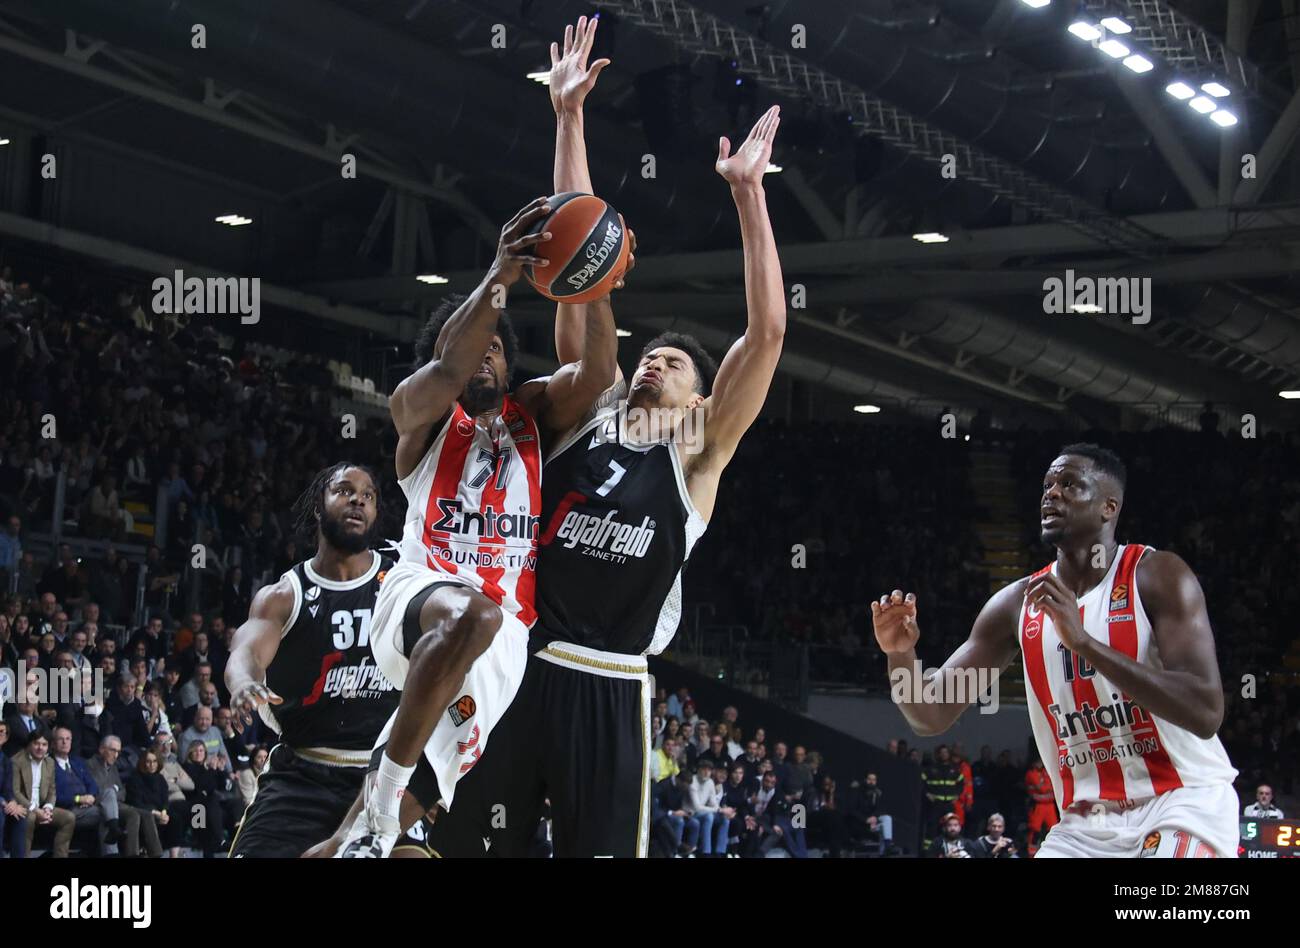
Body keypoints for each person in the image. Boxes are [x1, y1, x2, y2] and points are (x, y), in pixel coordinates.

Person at [420, 15, 786, 859]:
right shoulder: (586, 408)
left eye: (674, 364)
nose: (655, 363)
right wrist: (569, 116)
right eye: (648, 354)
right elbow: (575, 260)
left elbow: (764, 336)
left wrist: (748, 195)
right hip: (520, 661)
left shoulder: (696, 454)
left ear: (699, 400)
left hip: (612, 685)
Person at [331, 189, 618, 859]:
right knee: (475, 616)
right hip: (417, 600)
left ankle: (367, 826)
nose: (481, 357)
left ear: (510, 363)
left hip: (500, 649)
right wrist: (499, 277)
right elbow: (449, 367)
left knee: (368, 839)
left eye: (495, 348)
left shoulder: (535, 414)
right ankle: (379, 811)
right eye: (469, 347)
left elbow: (600, 374)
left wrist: (596, 283)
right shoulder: (423, 415)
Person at [873, 443, 1239, 858]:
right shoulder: (1015, 604)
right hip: (1085, 825)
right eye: (1047, 484)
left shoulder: (1157, 575)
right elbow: (930, 715)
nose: (1052, 493)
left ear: (1108, 507)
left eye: (1069, 484)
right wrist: (900, 655)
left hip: (1180, 803)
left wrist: (1084, 643)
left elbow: (1205, 712)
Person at [225, 463, 399, 858]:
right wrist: (243, 683)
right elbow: (246, 650)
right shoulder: (285, 595)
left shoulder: (401, 582)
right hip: (302, 774)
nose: (358, 499)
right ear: (319, 506)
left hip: (385, 775)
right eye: (344, 490)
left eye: (368, 495)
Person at [88, 733, 161, 858]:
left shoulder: (113, 767)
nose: (116, 755)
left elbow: (123, 792)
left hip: (118, 803)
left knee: (147, 814)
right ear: (102, 749)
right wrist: (112, 791)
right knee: (133, 815)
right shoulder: (91, 765)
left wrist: (113, 792)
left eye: (118, 752)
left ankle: (156, 854)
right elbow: (98, 792)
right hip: (101, 805)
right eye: (113, 750)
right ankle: (132, 854)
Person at [13, 732, 74, 857]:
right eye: (36, 744)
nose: (40, 748)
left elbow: (52, 790)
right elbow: (16, 792)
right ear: (29, 745)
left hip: (41, 806)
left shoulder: (49, 762)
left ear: (48, 746)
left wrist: (48, 807)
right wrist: (35, 810)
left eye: (44, 744)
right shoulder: (17, 761)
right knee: (30, 818)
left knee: (69, 817)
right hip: (24, 807)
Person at [0, 720, 28, 857]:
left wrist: (11, 801)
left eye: (1, 732)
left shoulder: (6, 760)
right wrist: (4, 802)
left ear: (6, 738)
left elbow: (7, 787)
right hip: (0, 804)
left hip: (3, 803)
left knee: (21, 815)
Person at [1025, 756, 1057, 856]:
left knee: (1053, 830)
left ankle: (1053, 852)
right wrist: (1046, 791)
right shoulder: (1031, 773)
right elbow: (1042, 789)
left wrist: (1045, 790)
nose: (1040, 763)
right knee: (1035, 831)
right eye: (1038, 761)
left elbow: (1051, 788)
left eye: (1041, 761)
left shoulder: (1047, 772)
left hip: (1050, 806)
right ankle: (1032, 854)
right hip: (1038, 806)